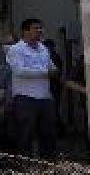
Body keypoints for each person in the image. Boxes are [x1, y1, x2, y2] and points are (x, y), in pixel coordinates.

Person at [7, 18, 60, 159]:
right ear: (25, 31)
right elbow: (19, 71)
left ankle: (48, 165)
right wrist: (44, 72)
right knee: (26, 135)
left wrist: (53, 70)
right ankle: (27, 167)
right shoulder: (16, 49)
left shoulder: (43, 48)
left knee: (48, 134)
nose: (40, 31)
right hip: (25, 98)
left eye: (41, 28)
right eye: (36, 28)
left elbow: (51, 66)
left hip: (45, 97)